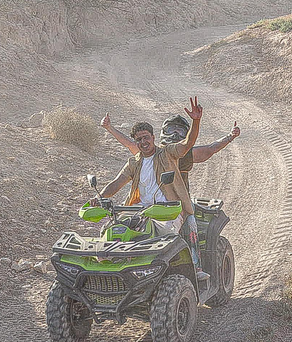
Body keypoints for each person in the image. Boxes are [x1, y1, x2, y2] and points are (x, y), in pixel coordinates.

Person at [92, 97, 208, 279]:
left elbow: (187, 144)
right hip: (140, 210)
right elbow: (116, 183)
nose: (143, 142)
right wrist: (100, 197)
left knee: (166, 234)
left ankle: (194, 268)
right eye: (139, 139)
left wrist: (196, 121)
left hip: (170, 210)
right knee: (109, 229)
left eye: (146, 137)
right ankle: (111, 270)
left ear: (153, 138)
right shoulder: (134, 162)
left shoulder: (167, 153)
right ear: (136, 142)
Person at [100, 112, 240, 190]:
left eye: (179, 130)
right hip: (147, 206)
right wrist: (109, 128)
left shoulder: (185, 153)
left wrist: (230, 136)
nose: (174, 133)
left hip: (178, 206)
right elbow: (129, 144)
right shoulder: (148, 152)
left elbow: (211, 149)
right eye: (171, 129)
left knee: (190, 232)